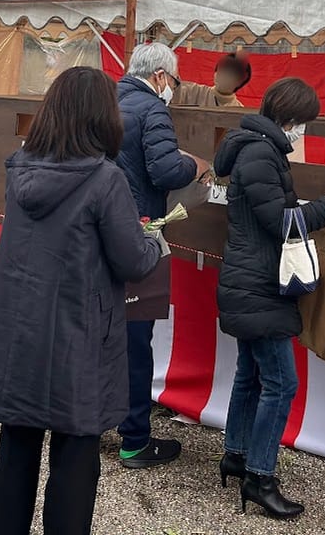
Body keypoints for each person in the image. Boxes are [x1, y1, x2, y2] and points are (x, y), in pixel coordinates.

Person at [0, 67, 164, 535]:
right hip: (78, 333)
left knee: (16, 448)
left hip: (21, 327)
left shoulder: (18, 169)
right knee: (76, 456)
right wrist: (153, 242)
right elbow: (132, 261)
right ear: (102, 117)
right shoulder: (105, 180)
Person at [213, 77, 325, 520]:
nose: (303, 133)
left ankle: (237, 455)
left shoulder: (254, 146)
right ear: (291, 118)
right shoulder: (261, 154)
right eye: (303, 124)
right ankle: (260, 477)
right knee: (281, 384)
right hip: (259, 284)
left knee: (250, 377)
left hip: (247, 281)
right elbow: (279, 221)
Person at [115, 42, 208, 469]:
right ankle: (134, 438)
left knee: (105, 330)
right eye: (173, 80)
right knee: (137, 333)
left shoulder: (108, 100)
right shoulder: (153, 110)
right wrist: (194, 164)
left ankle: (99, 418)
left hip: (102, 228)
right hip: (140, 230)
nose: (172, 88)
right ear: (159, 77)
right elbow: (166, 171)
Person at [173, 52, 252, 108]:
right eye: (220, 71)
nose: (222, 76)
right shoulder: (194, 92)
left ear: (239, 82)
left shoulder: (238, 110)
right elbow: (176, 92)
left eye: (229, 75)